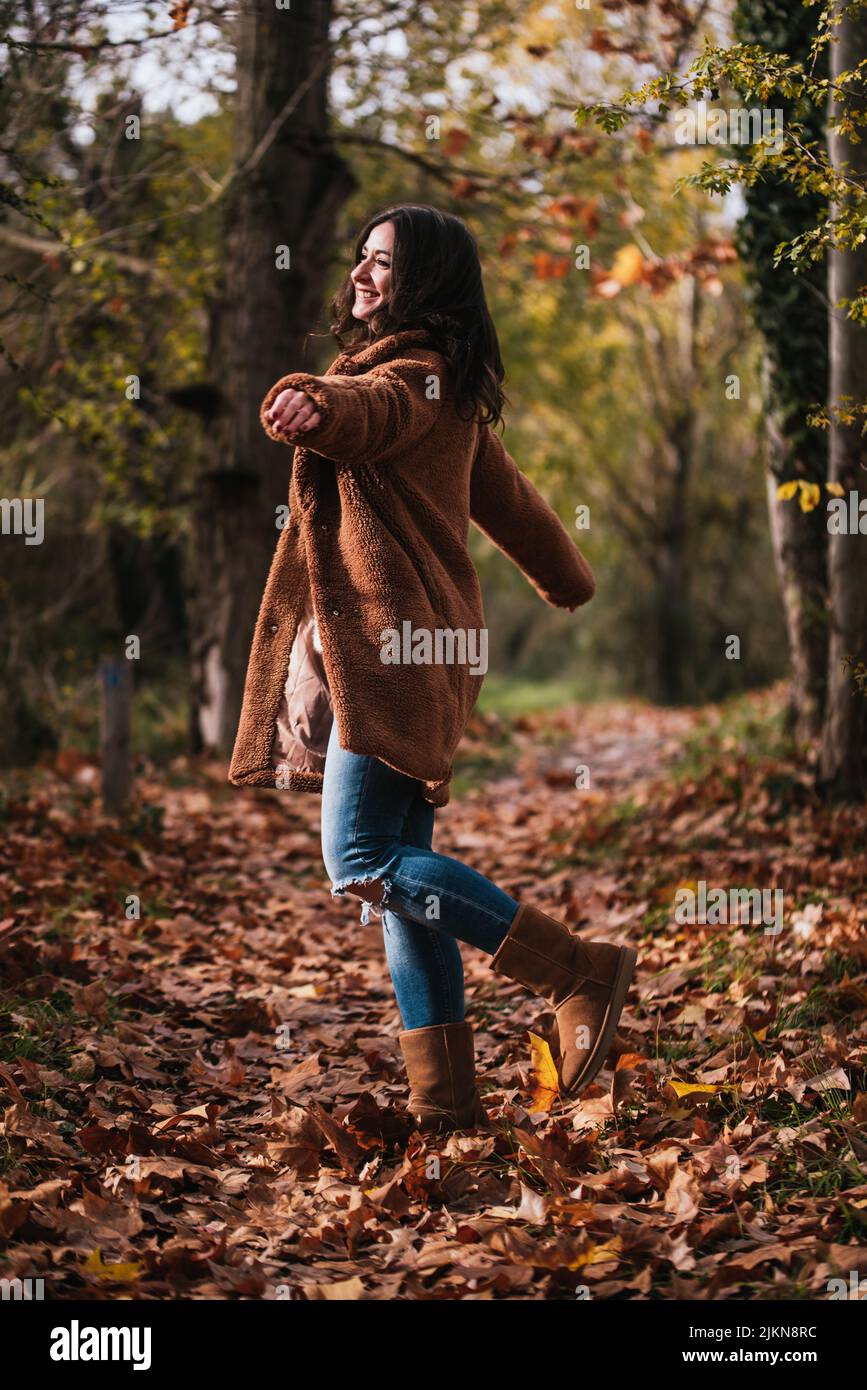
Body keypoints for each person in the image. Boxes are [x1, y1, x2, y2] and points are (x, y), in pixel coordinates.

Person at [229, 203, 636, 1133]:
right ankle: (447, 1108)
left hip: (391, 661)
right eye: (361, 256)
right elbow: (516, 504)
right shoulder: (449, 395)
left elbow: (361, 417)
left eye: (384, 264)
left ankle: (576, 969)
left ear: (426, 286)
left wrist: (312, 401)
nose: (363, 275)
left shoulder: (410, 381)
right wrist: (567, 579)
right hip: (413, 657)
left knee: (362, 860)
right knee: (401, 894)